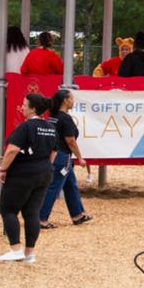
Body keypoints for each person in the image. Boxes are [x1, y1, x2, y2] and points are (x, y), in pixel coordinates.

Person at [0, 93, 57, 264]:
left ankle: (15, 249)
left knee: (8, 209)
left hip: (23, 172)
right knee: (32, 213)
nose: (21, 107)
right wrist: (45, 165)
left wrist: (3, 168)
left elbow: (12, 150)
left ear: (32, 108)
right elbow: (54, 151)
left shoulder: (26, 127)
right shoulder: (50, 127)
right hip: (44, 172)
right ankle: (29, 253)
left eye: (24, 104)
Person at [39, 89, 92, 229]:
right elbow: (70, 141)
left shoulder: (52, 116)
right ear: (65, 100)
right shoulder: (66, 118)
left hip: (55, 154)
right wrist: (80, 158)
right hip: (63, 156)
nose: (73, 101)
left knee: (70, 185)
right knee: (54, 187)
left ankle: (78, 215)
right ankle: (41, 218)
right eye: (72, 98)